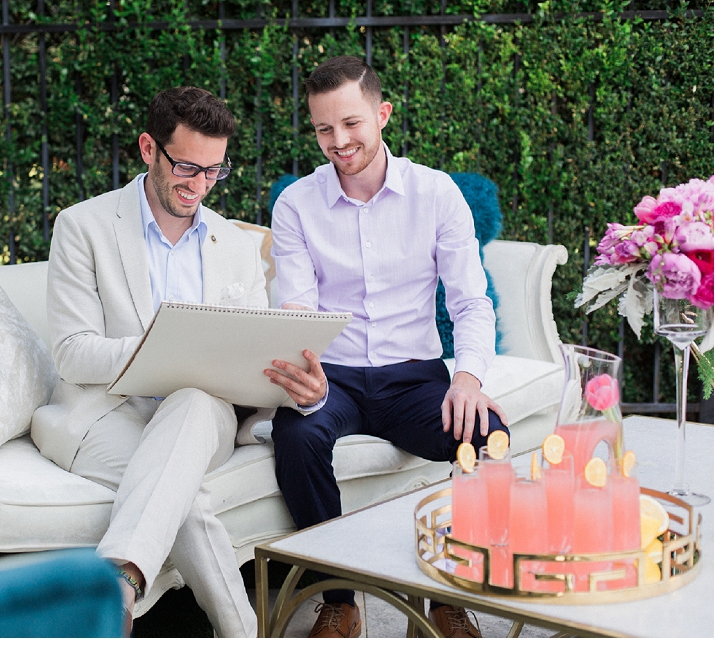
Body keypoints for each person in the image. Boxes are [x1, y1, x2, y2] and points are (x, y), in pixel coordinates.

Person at [264, 56, 509, 639]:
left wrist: (468, 377)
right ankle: (340, 597)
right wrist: (308, 379)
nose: (339, 141)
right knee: (295, 436)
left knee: (487, 433)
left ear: (383, 114)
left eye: (351, 124)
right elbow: (296, 311)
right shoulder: (296, 204)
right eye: (324, 129)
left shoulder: (437, 193)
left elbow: (471, 302)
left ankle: (445, 590)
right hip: (335, 376)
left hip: (414, 377)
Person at [31, 87, 281, 638]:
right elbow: (73, 351)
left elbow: (251, 357)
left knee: (192, 400)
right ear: (149, 148)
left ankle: (115, 589)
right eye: (187, 167)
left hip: (202, 416)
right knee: (180, 499)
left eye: (215, 172)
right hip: (107, 411)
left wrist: (286, 380)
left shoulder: (235, 244)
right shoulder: (83, 226)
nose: (199, 186)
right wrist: (160, 350)